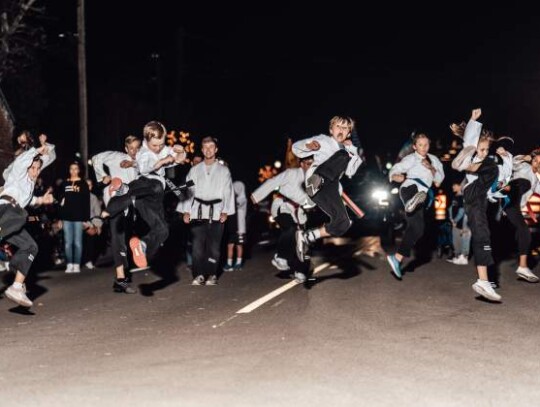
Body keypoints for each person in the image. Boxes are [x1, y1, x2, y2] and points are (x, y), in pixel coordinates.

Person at [102, 121, 186, 269]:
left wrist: (180, 152)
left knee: (163, 230)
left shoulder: (164, 148)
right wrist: (160, 162)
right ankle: (120, 192)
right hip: (148, 182)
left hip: (149, 201)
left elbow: (179, 159)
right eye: (154, 145)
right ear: (146, 141)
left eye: (161, 144)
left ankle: (142, 245)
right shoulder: (143, 152)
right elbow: (145, 168)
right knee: (152, 187)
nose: (158, 148)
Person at [451, 108, 511, 302]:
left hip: (479, 199)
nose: (484, 152)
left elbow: (502, 179)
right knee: (490, 166)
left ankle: (483, 280)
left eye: (486, 149)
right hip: (472, 190)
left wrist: (508, 163)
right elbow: (470, 139)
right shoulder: (473, 149)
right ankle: (464, 164)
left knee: (482, 235)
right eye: (481, 149)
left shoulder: (489, 162)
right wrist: (473, 120)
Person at [291, 115, 363, 261]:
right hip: (316, 179)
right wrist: (309, 146)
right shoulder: (323, 140)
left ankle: (309, 236)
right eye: (338, 126)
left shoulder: (348, 150)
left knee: (343, 222)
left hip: (329, 190)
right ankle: (318, 181)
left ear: (349, 134)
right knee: (342, 155)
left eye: (345, 128)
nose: (341, 130)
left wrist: (353, 151)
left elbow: (350, 172)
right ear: (331, 129)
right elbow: (296, 149)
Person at [1, 135, 56, 308]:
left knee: (31, 246)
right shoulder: (18, 175)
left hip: (13, 218)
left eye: (38, 169)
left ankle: (16, 287)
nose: (35, 172)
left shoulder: (30, 187)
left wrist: (42, 200)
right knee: (22, 215)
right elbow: (21, 162)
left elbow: (52, 154)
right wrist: (38, 149)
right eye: (32, 168)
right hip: (4, 211)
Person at [386, 133, 445, 278]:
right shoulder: (410, 158)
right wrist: (394, 176)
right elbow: (395, 169)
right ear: (414, 146)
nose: (423, 148)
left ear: (429, 145)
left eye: (426, 145)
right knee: (413, 191)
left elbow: (439, 180)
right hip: (410, 187)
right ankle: (411, 201)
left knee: (418, 228)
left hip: (424, 193)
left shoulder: (435, 160)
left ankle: (397, 258)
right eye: (420, 145)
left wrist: (431, 167)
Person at [179, 137, 235, 286]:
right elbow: (188, 190)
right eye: (206, 147)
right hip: (198, 211)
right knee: (197, 246)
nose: (209, 150)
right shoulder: (194, 170)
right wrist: (186, 211)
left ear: (216, 150)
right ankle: (198, 274)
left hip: (217, 211)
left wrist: (226, 211)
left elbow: (228, 191)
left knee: (214, 247)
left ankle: (212, 274)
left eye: (212, 147)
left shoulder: (224, 171)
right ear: (202, 150)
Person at [250, 156, 315, 282]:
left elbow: (314, 201)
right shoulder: (291, 173)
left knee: (301, 241)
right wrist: (255, 197)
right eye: (308, 163)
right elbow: (272, 182)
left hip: (300, 214)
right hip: (283, 207)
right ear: (301, 164)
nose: (310, 167)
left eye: (313, 164)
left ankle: (300, 270)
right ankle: (280, 257)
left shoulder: (314, 181)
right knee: (290, 228)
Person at [92, 135, 141, 293]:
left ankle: (122, 276)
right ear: (126, 148)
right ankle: (121, 278)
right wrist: (102, 176)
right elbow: (96, 158)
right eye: (131, 148)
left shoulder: (139, 164)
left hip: (130, 205)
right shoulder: (115, 157)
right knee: (118, 238)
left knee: (125, 240)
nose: (133, 151)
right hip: (115, 202)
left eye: (136, 148)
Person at [499, 150, 540, 282]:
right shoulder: (525, 166)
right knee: (524, 182)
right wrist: (524, 157)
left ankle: (522, 266)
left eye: (539, 162)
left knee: (525, 231)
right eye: (535, 161)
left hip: (513, 207)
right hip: (507, 196)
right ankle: (505, 189)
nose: (536, 164)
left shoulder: (537, 179)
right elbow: (515, 162)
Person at [59, 161, 90, 274]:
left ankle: (76, 264)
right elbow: (61, 201)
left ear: (79, 170)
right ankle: (69, 264)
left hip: (78, 217)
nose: (73, 171)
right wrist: (60, 217)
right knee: (67, 242)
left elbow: (86, 202)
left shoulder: (83, 184)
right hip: (66, 217)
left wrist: (86, 219)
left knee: (77, 242)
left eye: (75, 168)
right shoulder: (65, 183)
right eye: (71, 168)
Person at [223, 179, 248, 271]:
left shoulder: (242, 200)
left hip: (240, 227)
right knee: (230, 245)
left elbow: (239, 205)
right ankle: (229, 263)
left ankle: (238, 262)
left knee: (239, 245)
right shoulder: (229, 200)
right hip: (232, 226)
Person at [446, 179, 471, 265]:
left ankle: (464, 257)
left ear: (460, 186)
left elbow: (462, 210)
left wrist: (455, 220)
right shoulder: (455, 196)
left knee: (464, 238)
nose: (452, 187)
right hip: (455, 222)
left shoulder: (463, 197)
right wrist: (451, 219)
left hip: (462, 222)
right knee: (456, 240)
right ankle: (457, 256)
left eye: (454, 185)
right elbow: (450, 208)